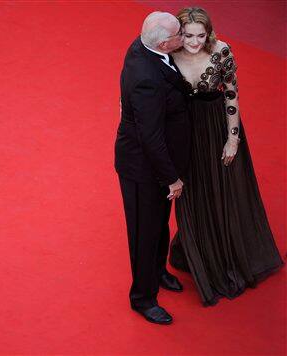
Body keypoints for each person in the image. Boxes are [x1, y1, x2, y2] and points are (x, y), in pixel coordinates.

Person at [169, 7, 284, 305]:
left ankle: (224, 253)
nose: (193, 42)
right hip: (185, 133)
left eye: (200, 35)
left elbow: (231, 93)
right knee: (191, 191)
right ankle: (197, 248)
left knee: (223, 191)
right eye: (188, 35)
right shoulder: (169, 53)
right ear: (179, 32)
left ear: (209, 33)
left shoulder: (221, 52)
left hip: (217, 129)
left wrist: (233, 139)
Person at [114, 11, 191, 324]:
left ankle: (158, 271)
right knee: (144, 234)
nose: (183, 39)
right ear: (163, 42)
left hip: (154, 164)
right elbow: (150, 137)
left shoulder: (143, 46)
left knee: (159, 224)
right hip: (143, 170)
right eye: (179, 35)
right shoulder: (146, 76)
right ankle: (143, 298)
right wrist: (171, 178)